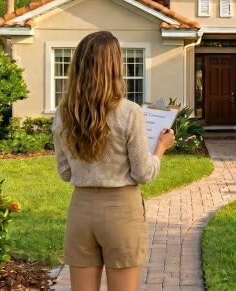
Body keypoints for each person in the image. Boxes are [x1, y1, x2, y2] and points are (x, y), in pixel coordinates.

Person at [52, 31, 175, 290]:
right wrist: (161, 147)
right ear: (115, 66)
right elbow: (144, 173)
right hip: (122, 210)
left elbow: (64, 172)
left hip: (80, 211)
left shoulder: (63, 113)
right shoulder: (129, 112)